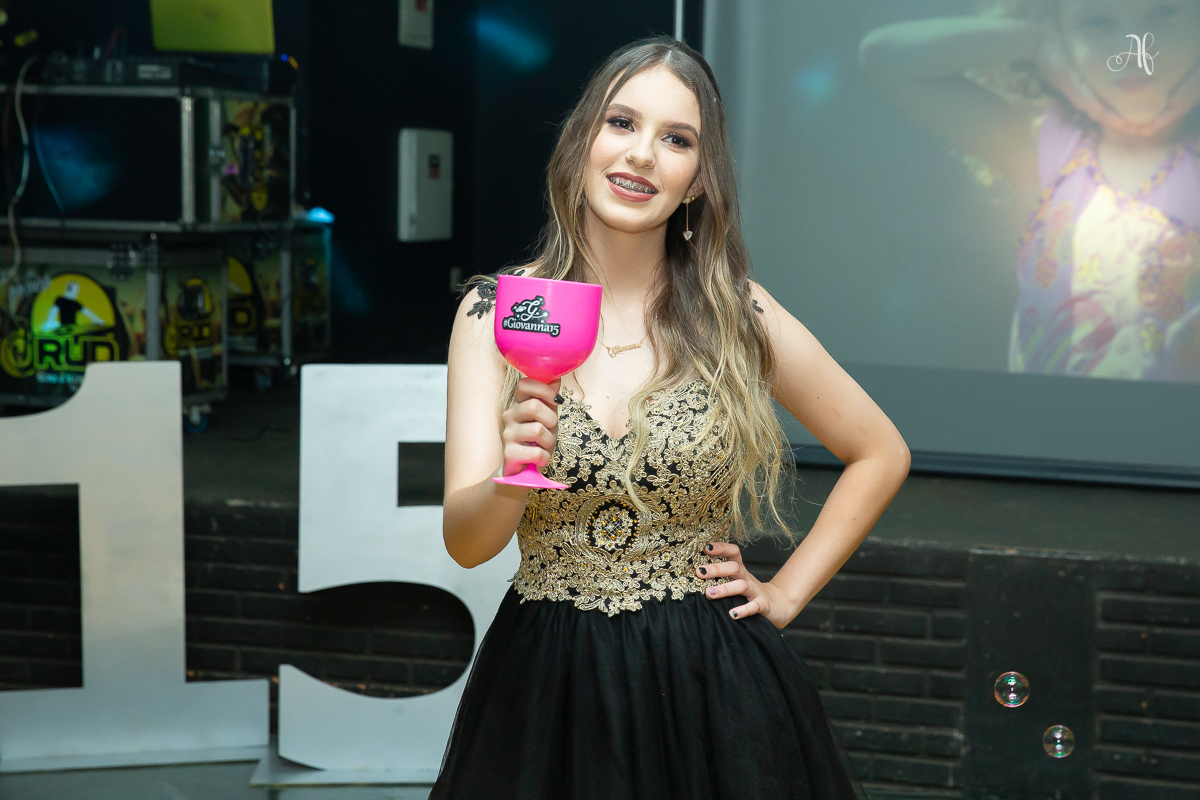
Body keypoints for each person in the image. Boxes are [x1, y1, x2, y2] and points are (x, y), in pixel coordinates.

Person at [435, 36, 910, 800]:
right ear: (583, 140)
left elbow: (879, 451)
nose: (642, 154)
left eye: (676, 139)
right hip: (549, 683)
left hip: (708, 683)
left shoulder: (737, 316)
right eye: (621, 123)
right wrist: (511, 477)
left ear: (698, 180)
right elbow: (466, 545)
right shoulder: (499, 311)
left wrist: (786, 593)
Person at [859, 0, 1200, 382]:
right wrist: (1035, 43)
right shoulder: (1046, 149)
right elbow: (883, 57)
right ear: (1061, 39)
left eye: (1164, 12)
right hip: (1048, 420)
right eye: (1097, 21)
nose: (1132, 45)